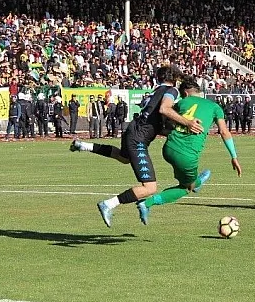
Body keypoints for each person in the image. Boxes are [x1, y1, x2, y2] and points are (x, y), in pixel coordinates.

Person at [70, 66, 204, 227]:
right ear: (174, 78)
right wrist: (187, 122)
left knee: (123, 158)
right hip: (138, 138)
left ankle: (83, 145)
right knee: (149, 188)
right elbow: (165, 109)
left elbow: (155, 122)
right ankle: (109, 204)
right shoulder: (171, 90)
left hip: (132, 130)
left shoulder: (155, 91)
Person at [136, 78, 242, 225]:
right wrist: (234, 156)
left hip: (168, 149)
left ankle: (197, 182)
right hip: (186, 155)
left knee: (186, 181)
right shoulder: (214, 106)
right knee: (187, 188)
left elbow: (166, 120)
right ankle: (146, 203)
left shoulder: (181, 103)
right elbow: (224, 132)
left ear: (185, 93)